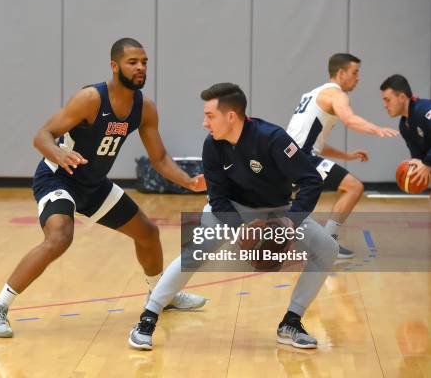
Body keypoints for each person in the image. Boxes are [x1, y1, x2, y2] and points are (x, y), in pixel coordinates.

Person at [0, 37, 207, 338]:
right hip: (58, 178)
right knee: (60, 236)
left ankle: (161, 295)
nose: (140, 68)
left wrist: (189, 182)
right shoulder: (90, 99)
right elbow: (42, 135)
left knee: (148, 233)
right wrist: (59, 153)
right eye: (132, 62)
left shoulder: (144, 108)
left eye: (144, 62)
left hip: (93, 185)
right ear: (114, 66)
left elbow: (159, 158)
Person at [128, 82, 338, 350]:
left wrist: (290, 221)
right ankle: (148, 317)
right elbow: (217, 198)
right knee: (198, 249)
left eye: (210, 115)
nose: (205, 123)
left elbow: (311, 181)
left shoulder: (273, 139)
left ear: (231, 116)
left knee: (327, 249)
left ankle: (291, 322)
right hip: (232, 207)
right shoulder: (212, 145)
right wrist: (241, 230)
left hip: (278, 210)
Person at [286, 53, 398, 258]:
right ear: (341, 73)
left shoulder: (313, 94)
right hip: (301, 157)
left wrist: (346, 155)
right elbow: (350, 119)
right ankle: (324, 244)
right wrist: (376, 129)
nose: (358, 78)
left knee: (292, 206)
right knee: (354, 187)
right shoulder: (336, 94)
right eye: (355, 72)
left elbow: (312, 141)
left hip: (291, 155)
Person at [380, 74, 431, 188]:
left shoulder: (425, 109)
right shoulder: (404, 126)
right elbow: (418, 159)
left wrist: (427, 163)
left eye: (388, 100)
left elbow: (426, 162)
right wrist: (412, 172)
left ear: (402, 97)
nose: (385, 105)